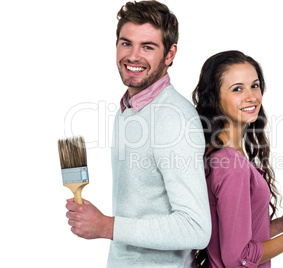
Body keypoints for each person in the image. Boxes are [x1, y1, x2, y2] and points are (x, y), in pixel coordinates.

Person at [65, 1, 211, 267]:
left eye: (148, 47)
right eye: (126, 43)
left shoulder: (174, 119)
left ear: (169, 54)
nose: (133, 56)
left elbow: (196, 229)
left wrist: (107, 226)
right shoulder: (129, 108)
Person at [192, 50, 283, 267]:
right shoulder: (232, 165)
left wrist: (279, 226)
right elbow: (238, 258)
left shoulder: (222, 156)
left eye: (255, 85)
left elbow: (228, 239)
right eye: (237, 89)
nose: (251, 97)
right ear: (214, 98)